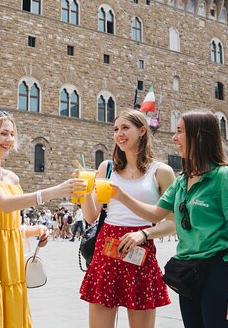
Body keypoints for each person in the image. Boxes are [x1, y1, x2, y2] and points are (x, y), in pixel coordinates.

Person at [0, 109, 85, 328]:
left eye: (12, 134)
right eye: (3, 133)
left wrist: (36, 229)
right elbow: (4, 204)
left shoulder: (12, 177)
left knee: (8, 312)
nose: (9, 140)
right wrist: (54, 191)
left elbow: (7, 225)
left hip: (10, 255)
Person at [111, 110, 228, 328]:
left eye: (179, 132)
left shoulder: (223, 176)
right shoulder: (183, 179)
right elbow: (156, 213)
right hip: (188, 272)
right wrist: (121, 196)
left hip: (217, 269)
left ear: (199, 136)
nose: (174, 138)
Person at [79, 109, 176, 328]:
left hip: (139, 249)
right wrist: (84, 191)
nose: (119, 134)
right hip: (107, 248)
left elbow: (173, 222)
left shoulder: (161, 171)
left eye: (125, 128)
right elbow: (91, 215)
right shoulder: (108, 167)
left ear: (142, 131)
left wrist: (144, 233)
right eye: (115, 129)